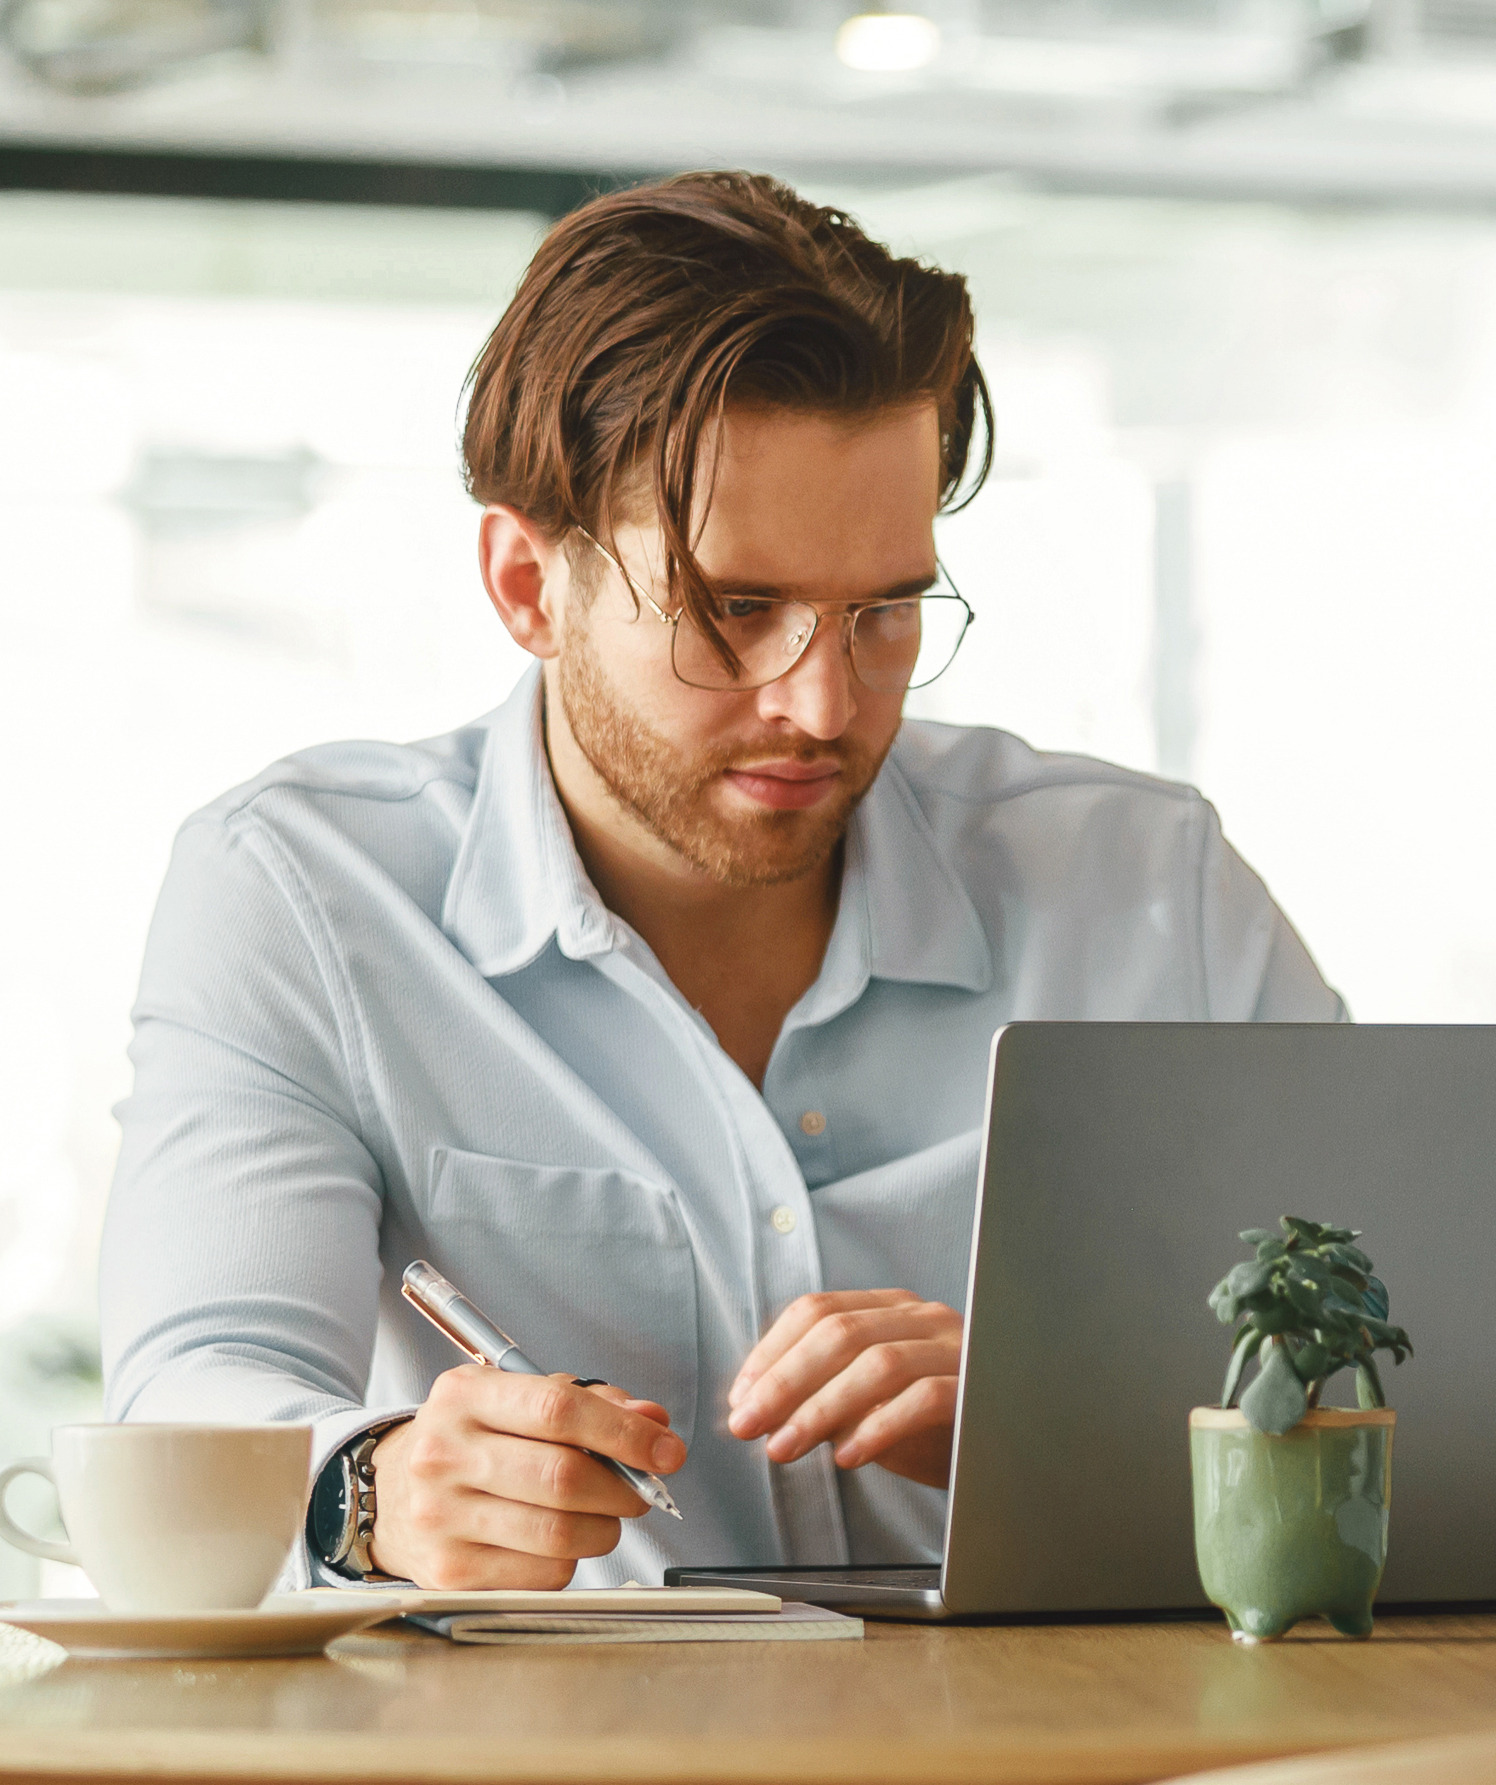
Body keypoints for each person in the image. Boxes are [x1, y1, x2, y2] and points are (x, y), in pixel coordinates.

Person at [100, 171, 1344, 1592]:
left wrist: (1081, 1401)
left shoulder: (1148, 885)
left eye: (883, 610)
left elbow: (1414, 1351)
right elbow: (192, 1389)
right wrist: (368, 1489)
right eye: (733, 610)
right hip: (573, 1742)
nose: (821, 703)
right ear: (526, 584)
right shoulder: (304, 891)